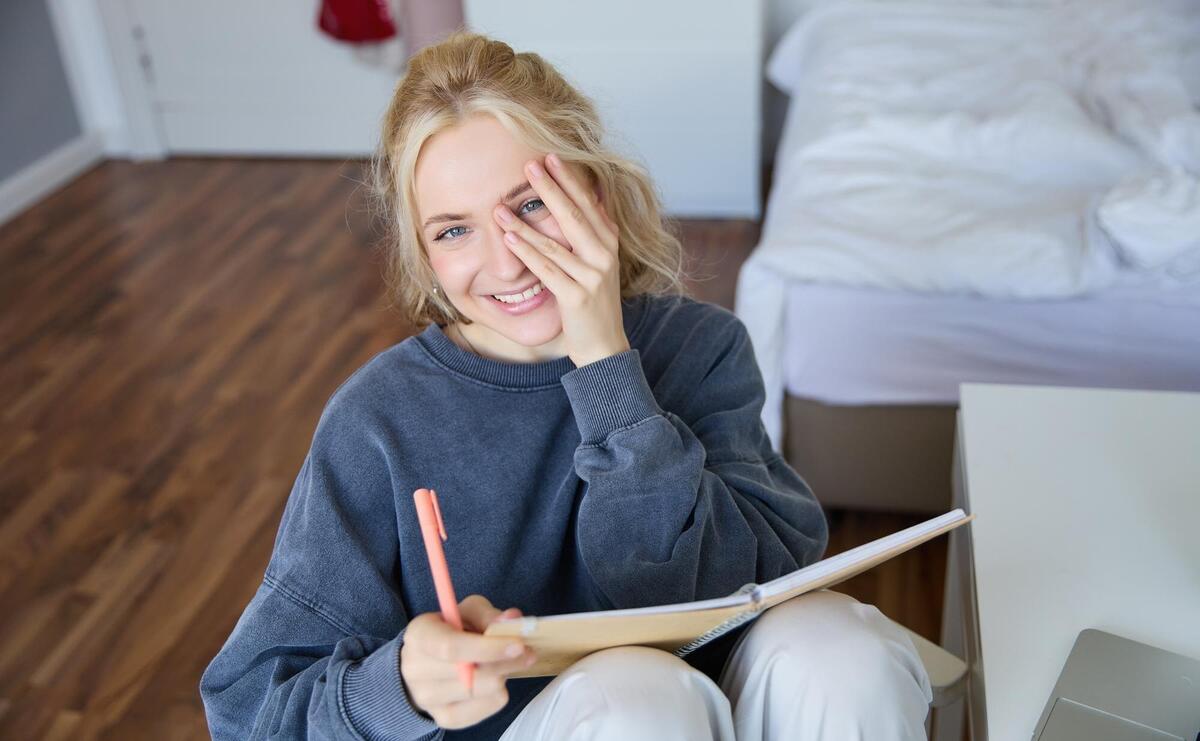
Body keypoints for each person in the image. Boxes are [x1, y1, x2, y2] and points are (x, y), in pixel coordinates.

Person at [199, 30, 932, 741]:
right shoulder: (377, 420)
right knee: (634, 695)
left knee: (842, 650)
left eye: (530, 205)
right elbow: (249, 711)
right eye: (454, 230)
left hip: (725, 706)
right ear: (421, 253)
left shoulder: (701, 348)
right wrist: (400, 686)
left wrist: (606, 364)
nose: (509, 261)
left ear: (596, 192)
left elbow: (761, 583)